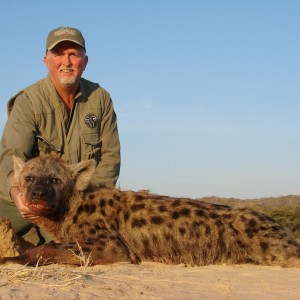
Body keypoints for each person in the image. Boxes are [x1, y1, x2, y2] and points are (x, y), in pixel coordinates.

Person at [0, 26, 121, 243]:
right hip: (26, 199)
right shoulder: (28, 101)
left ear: (85, 61)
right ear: (46, 60)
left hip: (75, 203)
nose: (66, 62)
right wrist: (17, 194)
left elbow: (110, 158)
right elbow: (11, 157)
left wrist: (87, 202)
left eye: (73, 54)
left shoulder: (101, 99)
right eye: (59, 54)